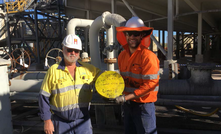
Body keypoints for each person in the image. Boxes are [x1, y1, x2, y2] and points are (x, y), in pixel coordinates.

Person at [38, 34, 101, 134]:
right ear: (63, 49)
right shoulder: (53, 70)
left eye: (76, 51)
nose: (73, 53)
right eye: (69, 50)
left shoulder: (89, 69)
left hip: (83, 121)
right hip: (61, 122)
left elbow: (105, 79)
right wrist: (47, 121)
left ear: (79, 53)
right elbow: (43, 97)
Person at [114, 16, 160, 134]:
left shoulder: (148, 57)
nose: (132, 37)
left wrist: (125, 98)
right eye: (129, 33)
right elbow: (122, 80)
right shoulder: (122, 56)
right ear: (126, 35)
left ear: (141, 35)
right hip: (128, 105)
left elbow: (150, 84)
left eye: (136, 34)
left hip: (143, 106)